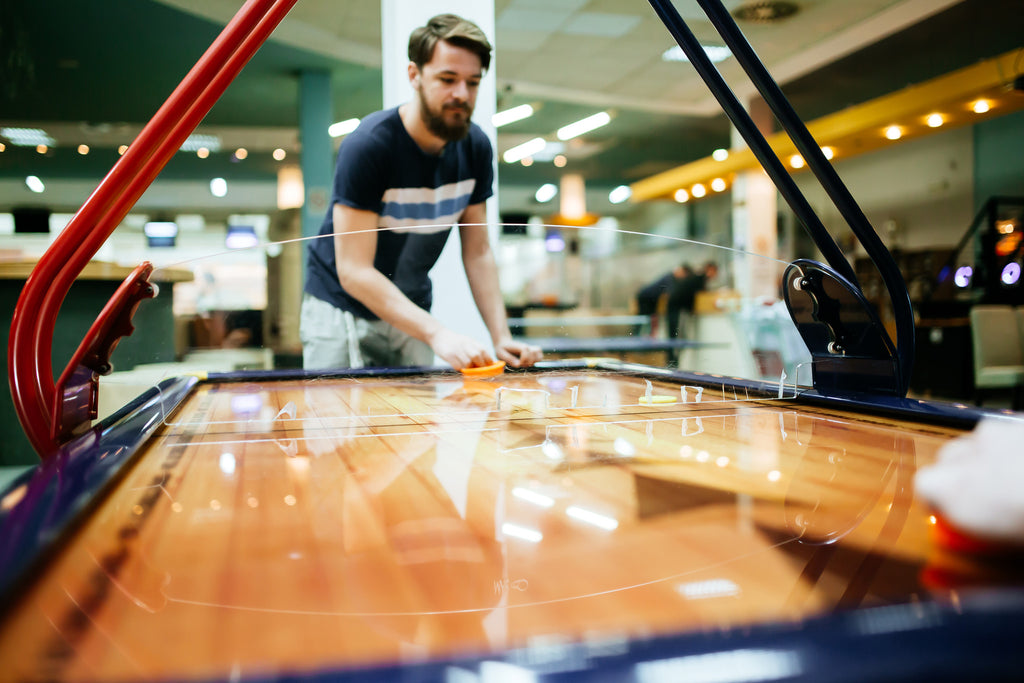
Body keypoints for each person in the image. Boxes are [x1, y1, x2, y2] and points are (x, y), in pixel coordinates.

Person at [300, 14, 542, 371]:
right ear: (414, 75)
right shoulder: (369, 146)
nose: (461, 94)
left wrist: (501, 335)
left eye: (472, 83)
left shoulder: (476, 147)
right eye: (447, 79)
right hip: (341, 307)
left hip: (412, 307)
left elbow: (477, 252)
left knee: (415, 422)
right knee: (340, 423)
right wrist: (439, 334)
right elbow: (353, 271)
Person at [666, 261, 718, 339]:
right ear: (709, 269)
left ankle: (674, 350)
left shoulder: (699, 278)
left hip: (677, 303)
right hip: (675, 302)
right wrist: (691, 309)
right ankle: (672, 350)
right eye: (714, 271)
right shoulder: (700, 278)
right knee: (674, 330)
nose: (715, 275)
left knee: (676, 330)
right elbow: (691, 294)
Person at [634, 263, 690, 335]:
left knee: (649, 320)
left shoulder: (671, 278)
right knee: (644, 318)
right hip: (646, 297)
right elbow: (669, 294)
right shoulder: (670, 278)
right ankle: (636, 336)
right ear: (681, 271)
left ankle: (644, 337)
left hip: (651, 299)